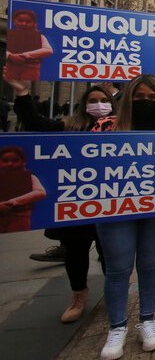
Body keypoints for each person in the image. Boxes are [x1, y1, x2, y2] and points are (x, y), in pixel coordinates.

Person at [91, 74, 155, 360]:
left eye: (151, 97)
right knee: (119, 267)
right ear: (127, 97)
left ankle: (147, 319)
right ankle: (117, 326)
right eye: (139, 96)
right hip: (115, 208)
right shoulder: (106, 125)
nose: (145, 102)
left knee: (149, 263)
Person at [5, 72, 114, 322]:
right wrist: (21, 92)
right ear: (84, 104)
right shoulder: (68, 126)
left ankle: (114, 292)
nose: (98, 105)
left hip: (110, 202)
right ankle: (78, 295)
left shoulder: (121, 127)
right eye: (92, 100)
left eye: (103, 100)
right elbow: (34, 124)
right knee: (76, 252)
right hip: (76, 203)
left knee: (110, 252)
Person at [0, 145, 47, 233]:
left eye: (15, 160)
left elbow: (40, 192)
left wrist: (12, 202)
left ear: (23, 162)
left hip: (20, 217)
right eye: (5, 161)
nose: (10, 164)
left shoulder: (28, 177)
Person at [6, 9, 53, 81]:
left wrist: (24, 55)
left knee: (25, 83)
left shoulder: (39, 36)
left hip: (31, 67)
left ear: (35, 23)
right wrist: (10, 56)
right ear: (14, 21)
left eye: (28, 22)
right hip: (11, 66)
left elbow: (48, 50)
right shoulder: (9, 35)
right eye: (20, 20)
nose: (24, 23)